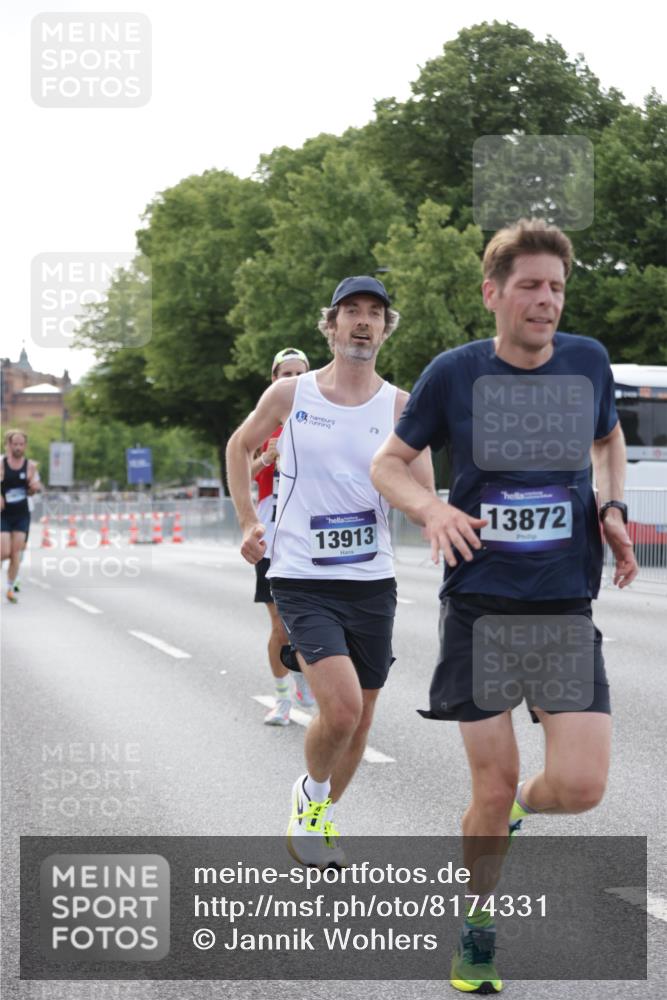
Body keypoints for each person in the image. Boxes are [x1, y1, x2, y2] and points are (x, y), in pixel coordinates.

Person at [370, 219, 638, 994]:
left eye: (555, 286)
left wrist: (613, 510)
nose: (545, 300)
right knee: (487, 784)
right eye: (529, 285)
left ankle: (519, 809)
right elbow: (388, 464)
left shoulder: (586, 361)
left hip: (561, 604)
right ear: (493, 293)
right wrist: (431, 510)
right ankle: (477, 923)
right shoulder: (453, 375)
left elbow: (609, 438)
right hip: (480, 607)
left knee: (580, 788)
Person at [227, 276, 434, 867]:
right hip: (301, 575)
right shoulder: (294, 395)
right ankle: (311, 796)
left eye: (374, 313)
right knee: (339, 709)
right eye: (351, 312)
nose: (363, 322)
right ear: (332, 325)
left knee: (360, 720)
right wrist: (248, 521)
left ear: (385, 328)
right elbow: (241, 448)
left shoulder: (401, 406)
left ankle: (315, 812)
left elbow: (423, 486)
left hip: (372, 578)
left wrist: (437, 519)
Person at [250, 347, 315, 725]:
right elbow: (242, 466)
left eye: (298, 373)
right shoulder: (263, 423)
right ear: (273, 379)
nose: (291, 380)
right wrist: (266, 458)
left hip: (309, 539)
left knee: (310, 621)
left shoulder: (322, 421)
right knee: (280, 626)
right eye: (284, 374)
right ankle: (283, 700)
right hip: (271, 539)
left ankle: (305, 675)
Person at [1, 430, 42, 603]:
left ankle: (10, 588)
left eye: (21, 444)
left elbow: (34, 490)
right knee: (3, 551)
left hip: (21, 514)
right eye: (14, 444)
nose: (18, 447)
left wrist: (33, 486)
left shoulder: (30, 466)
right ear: (9, 445)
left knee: (15, 553)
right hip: (3, 514)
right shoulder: (2, 463)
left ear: (25, 446)